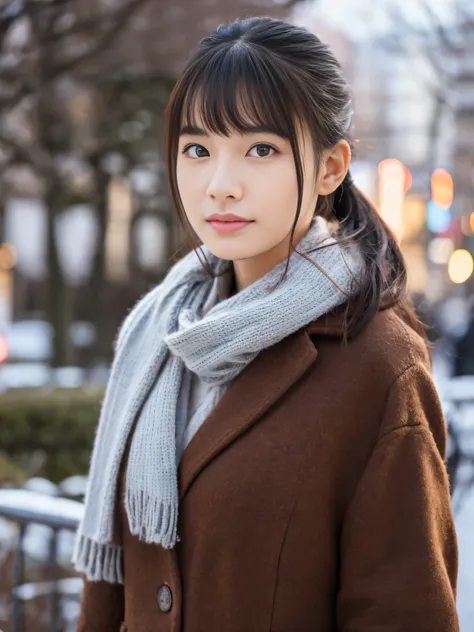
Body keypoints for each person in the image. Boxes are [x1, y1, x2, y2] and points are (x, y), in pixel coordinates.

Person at [73, 17, 459, 632]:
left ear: (330, 168)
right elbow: (114, 588)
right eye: (197, 150)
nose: (220, 186)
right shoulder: (159, 333)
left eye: (261, 150)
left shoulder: (379, 364)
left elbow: (403, 610)